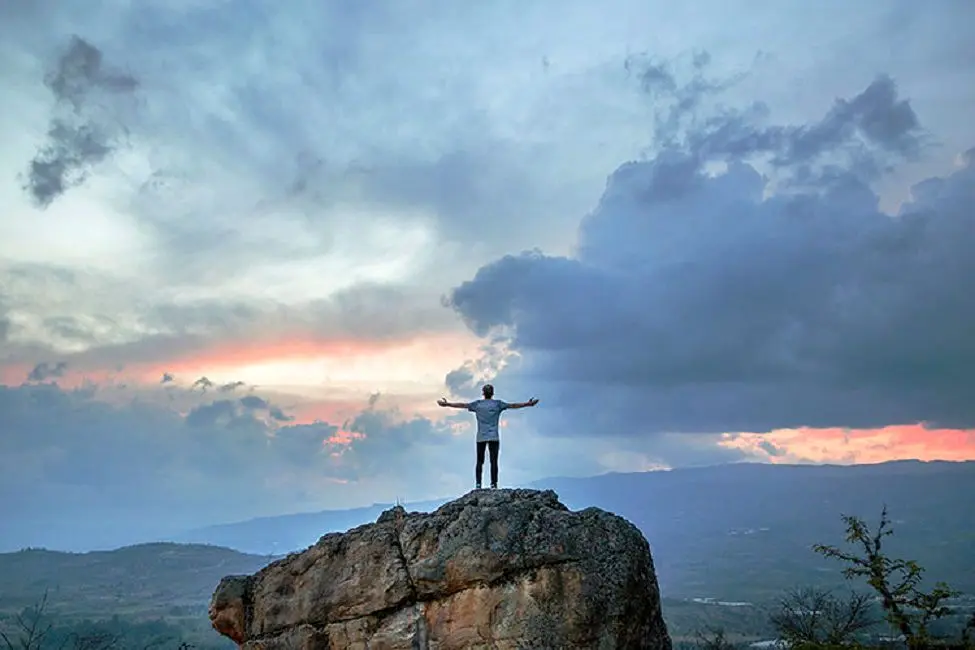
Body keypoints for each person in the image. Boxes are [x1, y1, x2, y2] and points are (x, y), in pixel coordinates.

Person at [437, 384, 539, 490]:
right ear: (492, 393)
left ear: (483, 393)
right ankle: (493, 484)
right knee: (494, 461)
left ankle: (478, 485)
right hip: (494, 437)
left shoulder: (478, 404)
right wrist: (528, 404)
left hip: (481, 437)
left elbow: (463, 405)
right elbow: (513, 405)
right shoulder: (497, 404)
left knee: (479, 461)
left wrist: (447, 404)